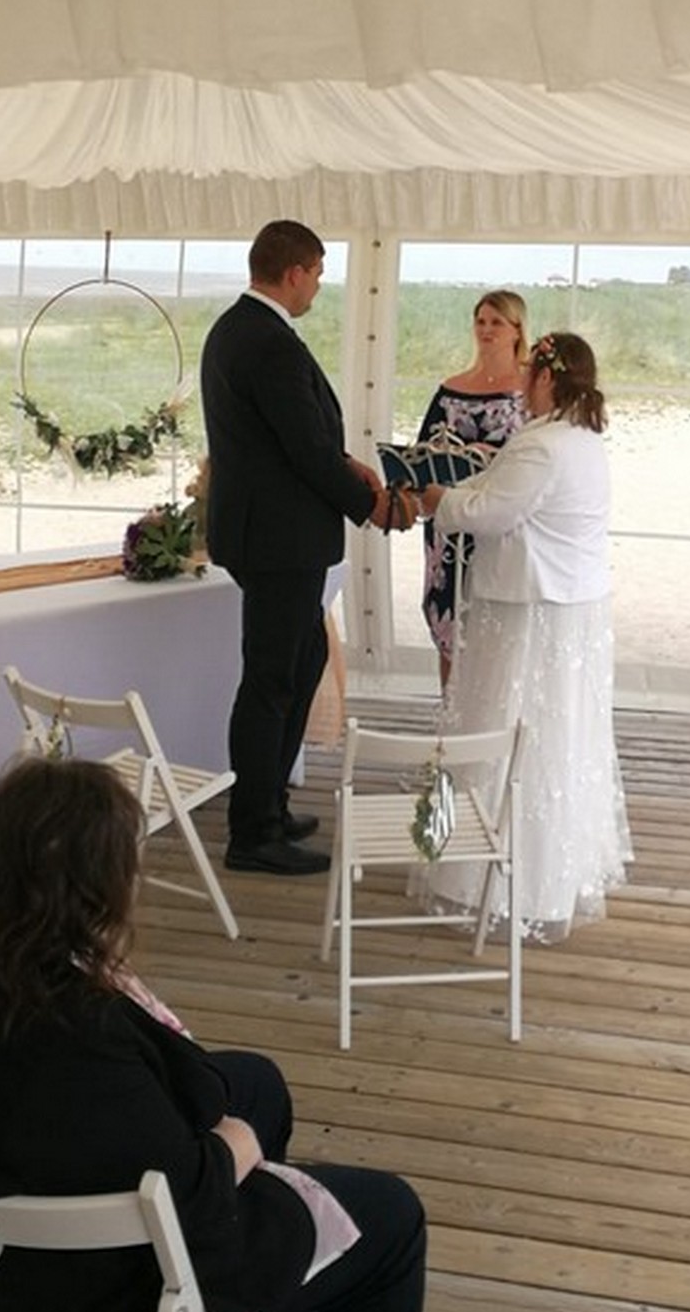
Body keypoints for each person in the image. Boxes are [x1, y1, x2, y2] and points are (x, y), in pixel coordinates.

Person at [0, 755, 426, 1312]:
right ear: (93, 896)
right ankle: (224, 1309)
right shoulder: (79, 1035)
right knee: (392, 1220)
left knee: (257, 1082)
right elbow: (186, 1184)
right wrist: (234, 1145)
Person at [201, 220, 417, 876]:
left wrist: (347, 465)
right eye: (318, 274)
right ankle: (253, 831)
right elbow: (300, 449)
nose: (318, 287)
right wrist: (373, 505)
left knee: (300, 663)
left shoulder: (233, 330)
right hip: (279, 542)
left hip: (266, 534)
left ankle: (268, 803)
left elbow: (291, 441)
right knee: (270, 680)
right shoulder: (268, 343)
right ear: (294, 271)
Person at [419, 332, 630, 941]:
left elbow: (489, 513)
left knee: (508, 729)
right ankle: (549, 872)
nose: (520, 386)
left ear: (546, 379)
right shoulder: (585, 441)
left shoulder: (541, 446)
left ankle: (504, 876)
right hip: (571, 606)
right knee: (557, 735)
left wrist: (441, 500)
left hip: (528, 612)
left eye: (528, 375)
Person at [416, 290, 530, 686]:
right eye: (481, 321)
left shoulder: (529, 393)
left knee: (495, 628)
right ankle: (450, 721)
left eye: (497, 322)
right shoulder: (451, 389)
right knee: (450, 622)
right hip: (449, 525)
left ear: (517, 330)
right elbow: (421, 456)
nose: (486, 330)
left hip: (500, 525)